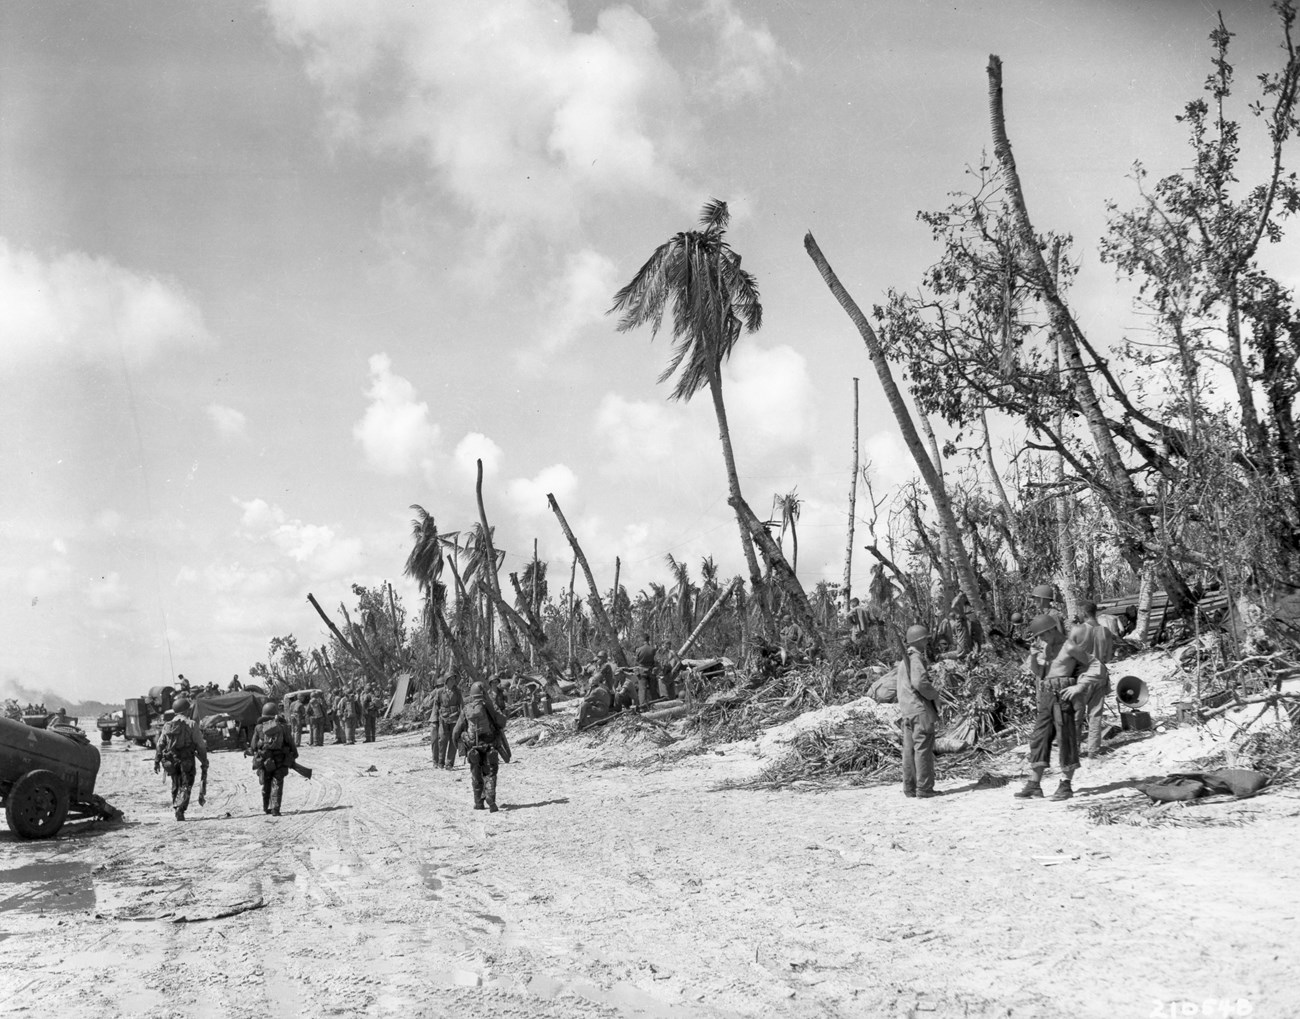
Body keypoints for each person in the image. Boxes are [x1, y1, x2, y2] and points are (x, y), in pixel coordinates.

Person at [1014, 623, 1104, 801]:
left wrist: (1080, 686)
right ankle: (1034, 784)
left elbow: (1096, 666)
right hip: (1047, 695)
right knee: (1039, 737)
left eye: (1043, 635)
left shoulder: (1070, 646)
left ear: (1051, 630)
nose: (1041, 639)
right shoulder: (1047, 647)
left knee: (1066, 739)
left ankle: (1065, 784)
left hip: (1063, 696)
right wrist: (1033, 658)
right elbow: (1041, 672)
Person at [897, 624, 942, 799]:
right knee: (923, 749)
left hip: (907, 711)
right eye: (926, 639)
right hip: (919, 710)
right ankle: (924, 788)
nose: (927, 641)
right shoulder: (915, 659)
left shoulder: (904, 661)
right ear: (921, 640)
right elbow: (919, 683)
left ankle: (910, 788)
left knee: (909, 751)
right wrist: (934, 694)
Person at [451, 681, 508, 811]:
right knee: (491, 773)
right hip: (489, 745)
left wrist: (460, 747)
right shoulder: (489, 706)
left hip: (472, 747)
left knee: (476, 774)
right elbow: (502, 722)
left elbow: (455, 732)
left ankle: (478, 803)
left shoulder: (466, 709)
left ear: (472, 694)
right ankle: (490, 798)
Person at [153, 696, 209, 821]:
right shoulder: (191, 724)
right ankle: (180, 808)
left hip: (171, 760)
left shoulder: (167, 725)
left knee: (175, 784)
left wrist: (157, 761)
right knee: (186, 784)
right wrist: (204, 760)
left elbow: (160, 744)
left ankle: (176, 807)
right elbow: (200, 745)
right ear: (187, 710)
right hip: (187, 760)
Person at [1076, 602, 1116, 757]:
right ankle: (1093, 750)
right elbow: (1109, 656)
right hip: (1100, 674)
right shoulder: (1105, 632)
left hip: (1082, 676)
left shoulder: (1078, 631)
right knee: (1095, 714)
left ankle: (1075, 750)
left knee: (1076, 715)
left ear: (1083, 613)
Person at [249, 701, 296, 816]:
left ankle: (266, 807)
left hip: (265, 760)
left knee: (266, 782)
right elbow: (290, 742)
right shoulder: (283, 727)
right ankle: (275, 809)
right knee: (277, 783)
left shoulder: (258, 727)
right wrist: (294, 754)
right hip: (280, 759)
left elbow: (253, 746)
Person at [429, 674, 462, 769]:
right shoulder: (439, 692)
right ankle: (440, 762)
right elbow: (436, 706)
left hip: (455, 718)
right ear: (446, 681)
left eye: (454, 679)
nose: (453, 681)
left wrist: (462, 719)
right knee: (442, 740)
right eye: (451, 679)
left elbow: (461, 705)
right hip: (443, 719)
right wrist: (435, 719)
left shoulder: (457, 692)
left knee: (453, 739)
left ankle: (449, 763)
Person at [634, 634, 658, 706]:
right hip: (651, 671)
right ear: (648, 640)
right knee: (653, 689)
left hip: (642, 671)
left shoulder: (639, 650)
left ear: (643, 640)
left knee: (642, 690)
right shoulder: (653, 650)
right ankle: (656, 705)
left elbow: (635, 662)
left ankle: (642, 706)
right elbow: (656, 661)